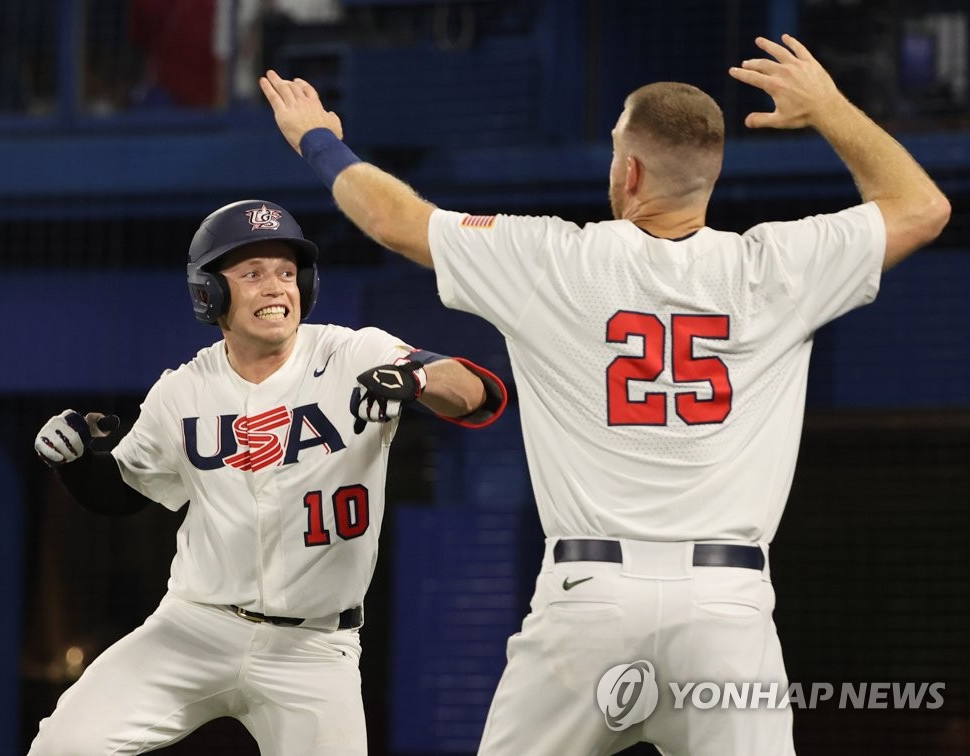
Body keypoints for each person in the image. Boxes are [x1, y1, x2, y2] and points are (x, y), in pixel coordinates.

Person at [258, 33, 950, 756]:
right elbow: (922, 207)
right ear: (707, 176)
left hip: (589, 601)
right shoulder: (780, 267)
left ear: (631, 170)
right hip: (727, 611)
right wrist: (832, 107)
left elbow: (393, 219)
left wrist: (317, 138)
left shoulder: (555, 259)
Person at [28, 198, 507, 755]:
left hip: (314, 647)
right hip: (195, 626)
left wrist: (420, 382)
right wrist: (73, 463)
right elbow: (120, 494)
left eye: (286, 272)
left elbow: (479, 393)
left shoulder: (353, 352)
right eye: (251, 273)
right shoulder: (183, 389)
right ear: (209, 293)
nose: (276, 286)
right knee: (63, 745)